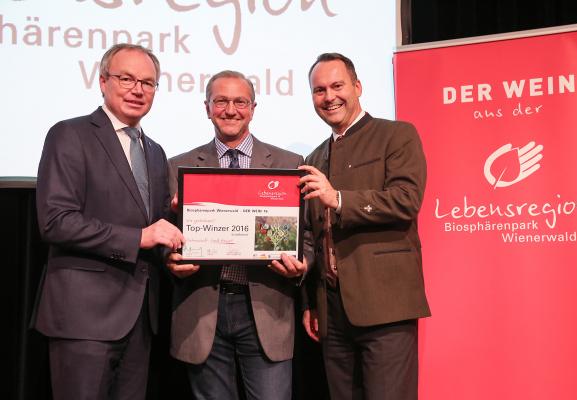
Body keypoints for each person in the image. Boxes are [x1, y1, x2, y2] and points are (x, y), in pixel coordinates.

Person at [33, 43, 185, 400]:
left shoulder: (155, 151)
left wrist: (173, 242)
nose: (138, 90)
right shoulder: (70, 134)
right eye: (127, 79)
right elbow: (55, 221)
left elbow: (155, 228)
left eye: (148, 83)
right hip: (84, 318)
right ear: (103, 81)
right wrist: (139, 238)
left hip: (140, 319)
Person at [167, 70, 308, 400]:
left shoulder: (289, 164)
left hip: (266, 308)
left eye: (240, 101)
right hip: (203, 310)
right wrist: (170, 259)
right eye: (221, 101)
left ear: (253, 107)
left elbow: (308, 235)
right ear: (207, 107)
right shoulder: (178, 166)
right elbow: (166, 236)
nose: (230, 110)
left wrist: (304, 262)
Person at [299, 52, 431, 400]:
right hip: (332, 312)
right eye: (319, 90)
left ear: (357, 87)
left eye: (337, 86)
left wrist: (339, 199)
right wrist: (311, 303)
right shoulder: (313, 159)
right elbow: (313, 234)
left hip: (385, 303)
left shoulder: (396, 135)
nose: (329, 97)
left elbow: (406, 199)